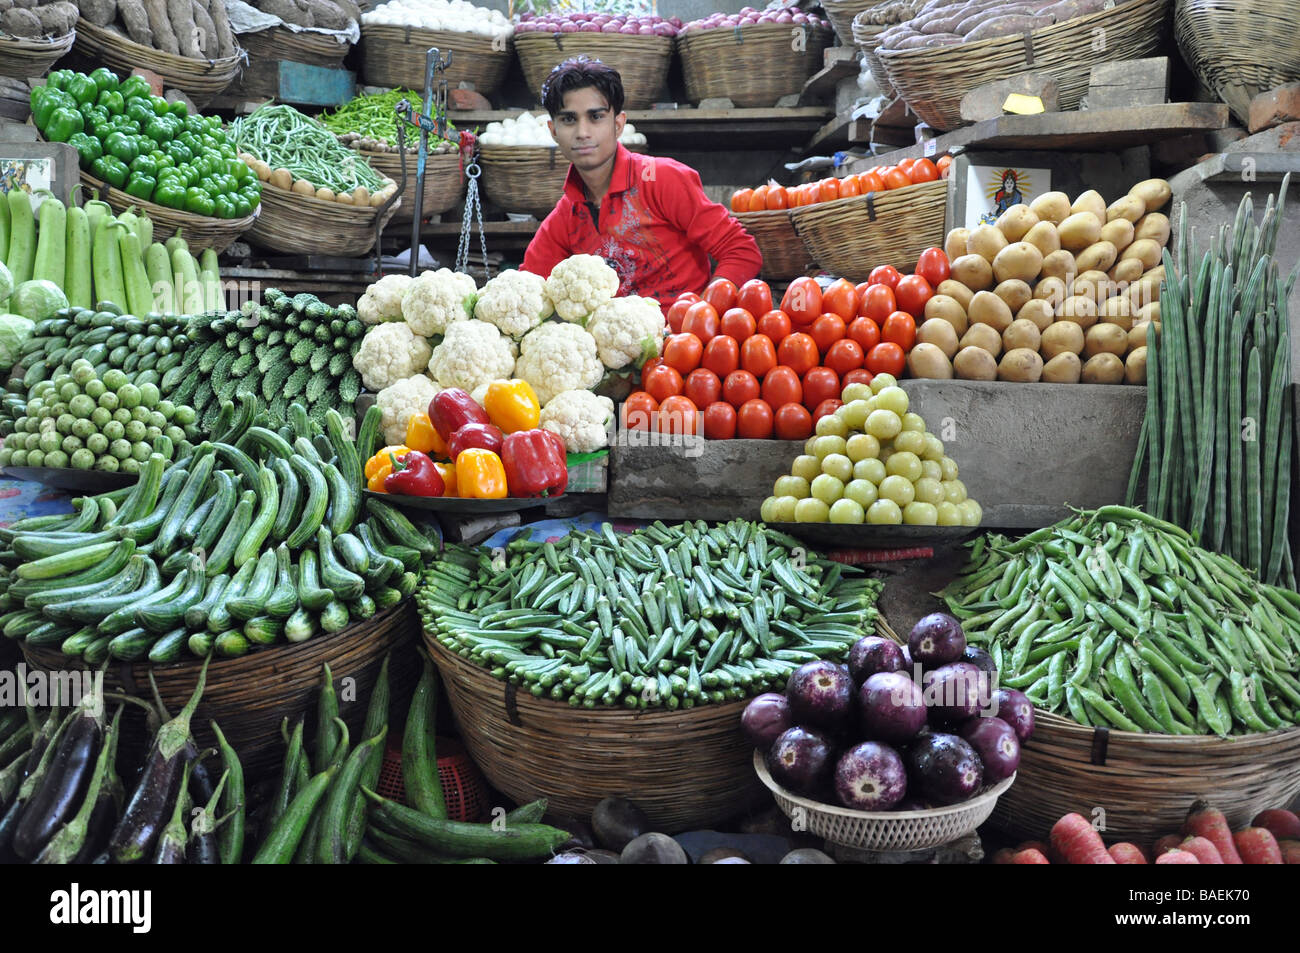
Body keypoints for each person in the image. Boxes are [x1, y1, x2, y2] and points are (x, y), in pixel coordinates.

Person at [522, 56, 762, 309]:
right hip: (614, 344)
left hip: (685, 341)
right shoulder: (565, 216)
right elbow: (527, 284)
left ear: (618, 124)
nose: (582, 132)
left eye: (596, 117)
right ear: (553, 130)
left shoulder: (662, 179)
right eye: (569, 119)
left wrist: (704, 314)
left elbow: (740, 250)